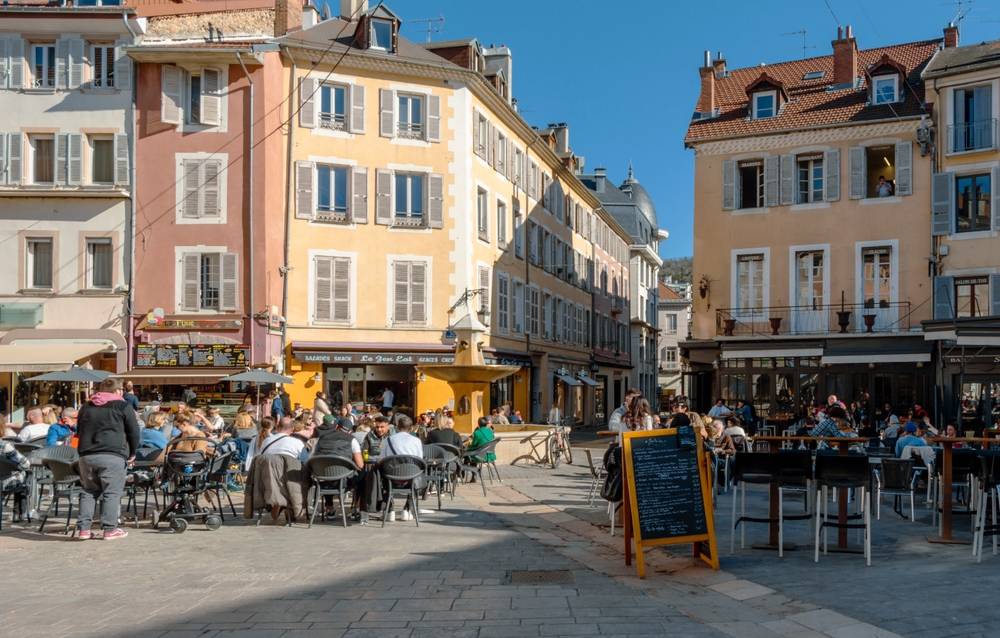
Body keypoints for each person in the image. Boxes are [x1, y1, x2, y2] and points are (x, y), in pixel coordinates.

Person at [75, 377, 140, 540]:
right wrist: (132, 452)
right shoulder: (123, 406)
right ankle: (110, 529)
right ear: (118, 391)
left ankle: (83, 529)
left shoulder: (86, 406)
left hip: (87, 454)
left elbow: (79, 429)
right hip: (113, 454)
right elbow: (134, 431)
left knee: (88, 491)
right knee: (112, 492)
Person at [0, 439, 31, 520]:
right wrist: (17, 467)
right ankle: (18, 514)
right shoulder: (4, 445)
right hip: (5, 482)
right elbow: (26, 463)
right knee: (22, 476)